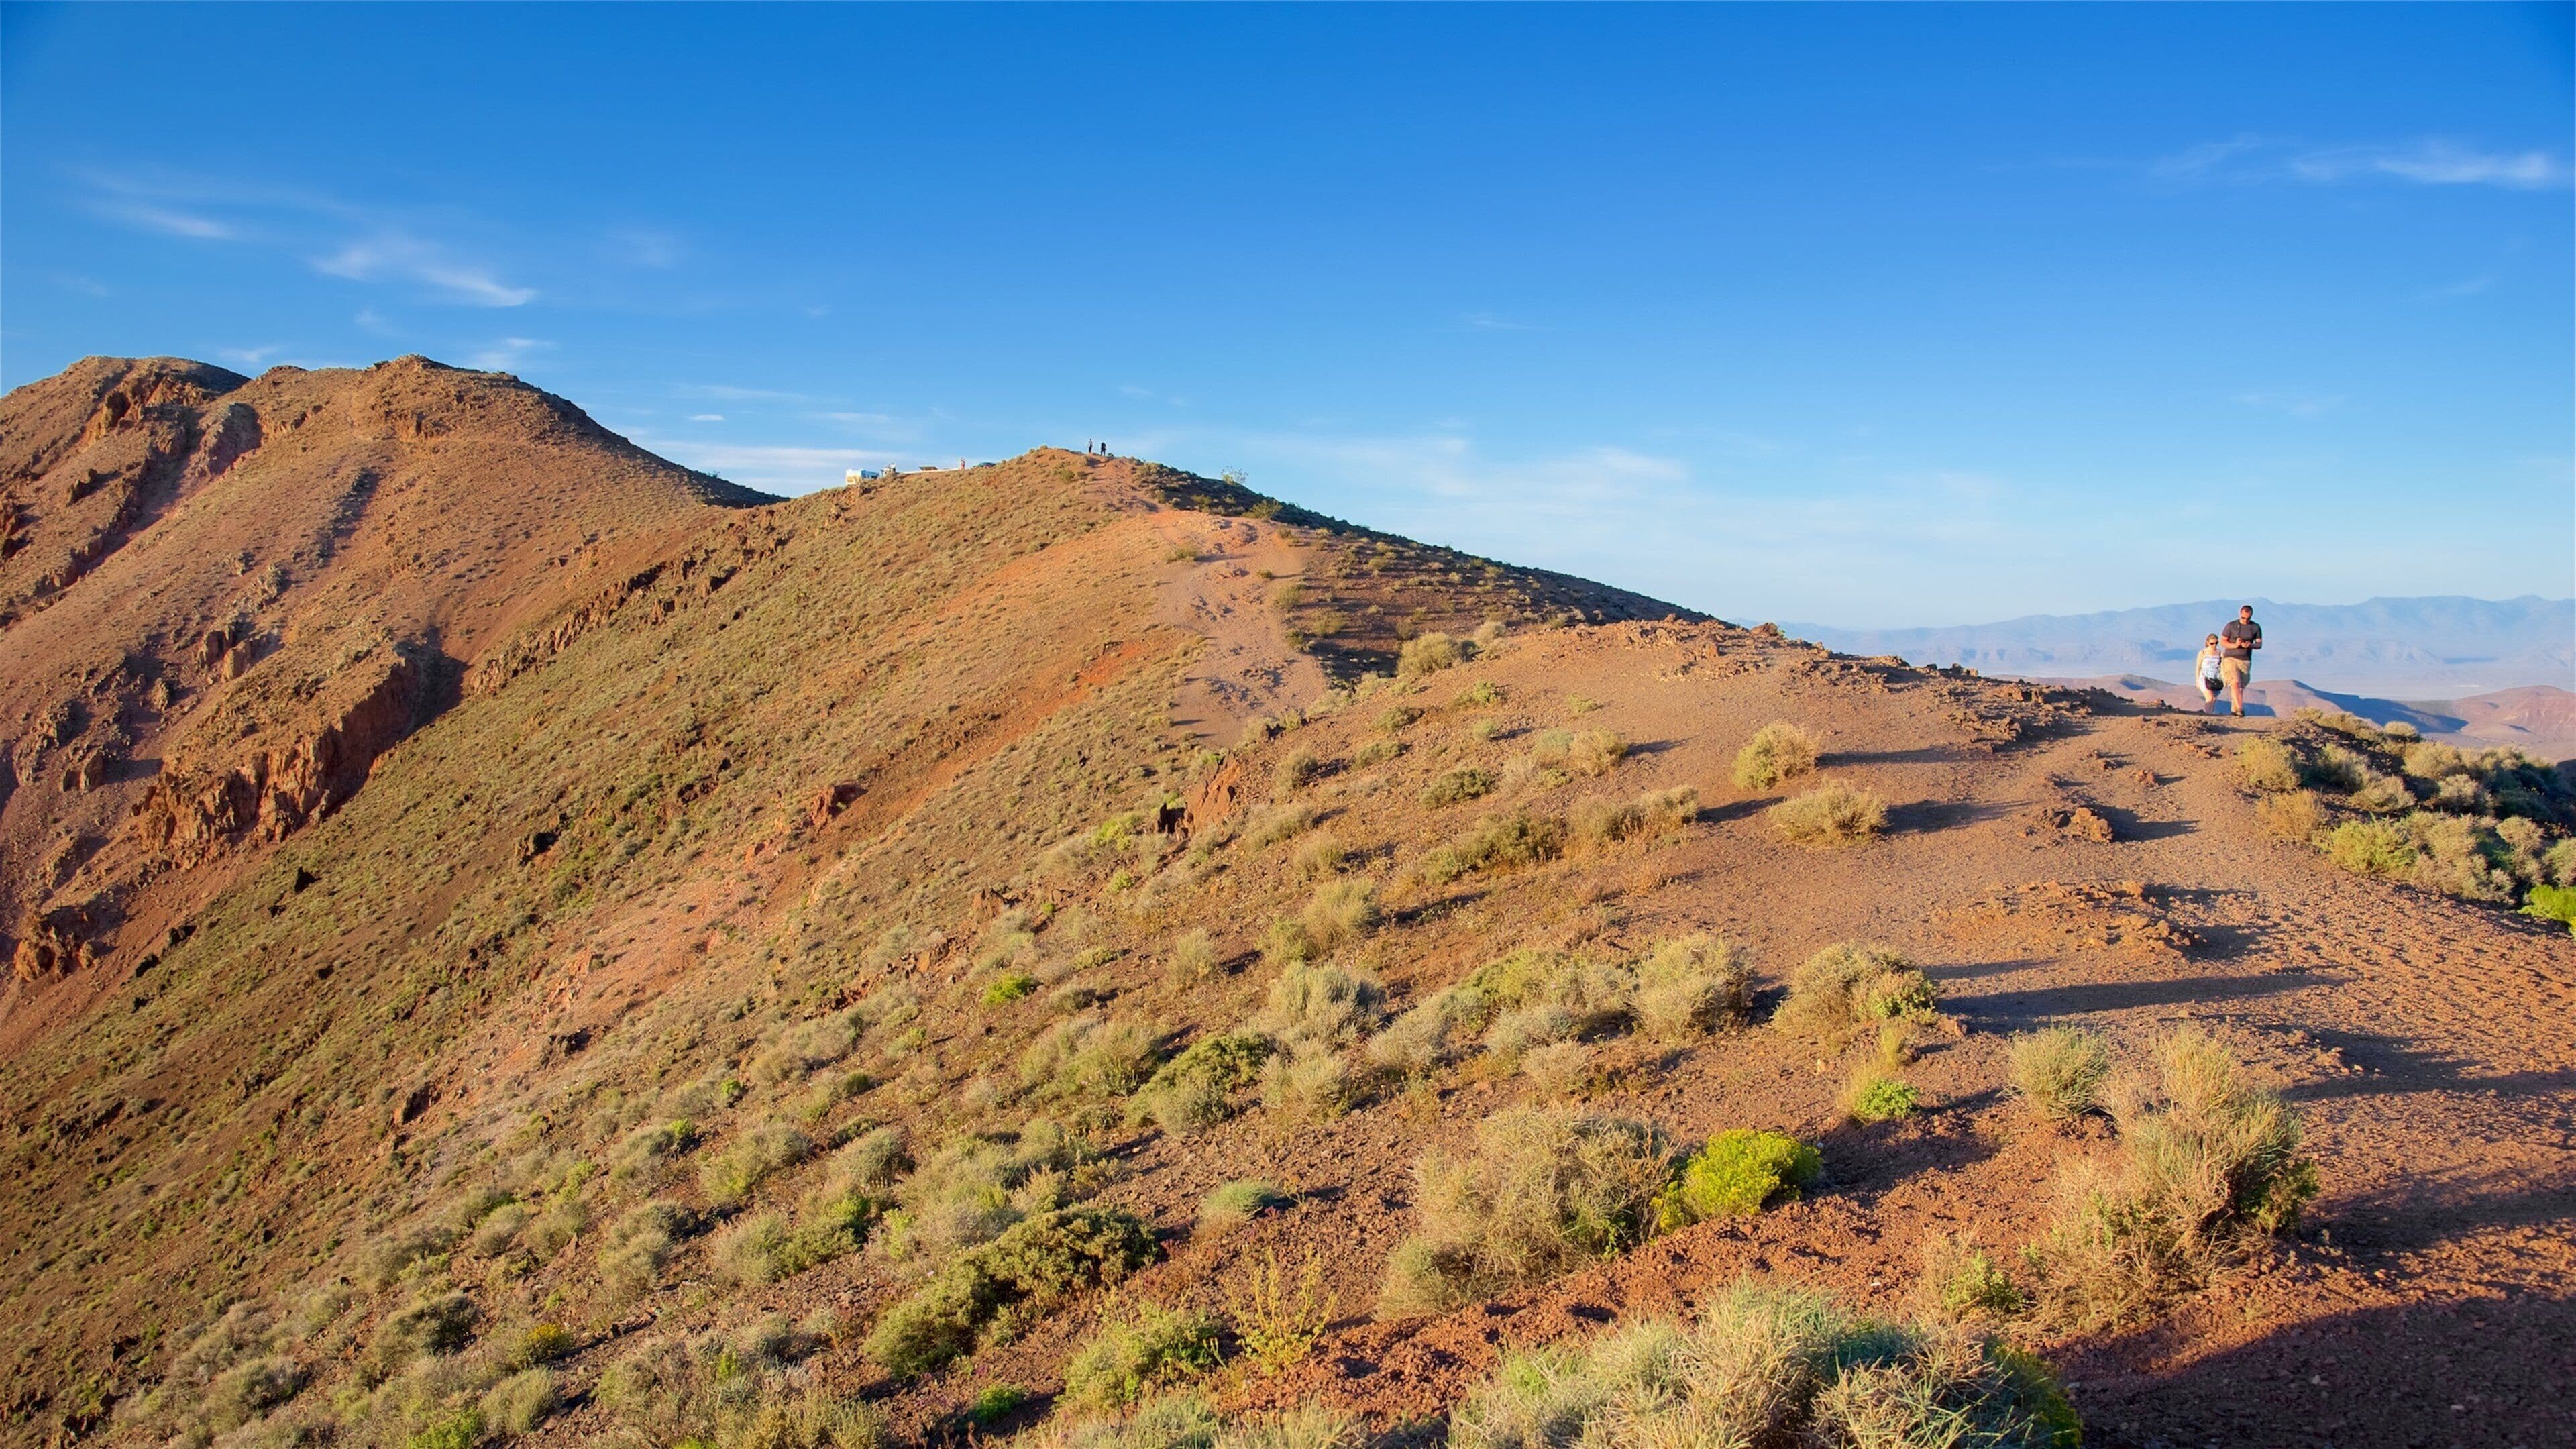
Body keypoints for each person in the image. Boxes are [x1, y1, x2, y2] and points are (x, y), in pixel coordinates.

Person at [2218, 604, 2263, 717]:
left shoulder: (2255, 627)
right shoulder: (2231, 626)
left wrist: (2250, 645)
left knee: (2241, 687)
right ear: (2240, 614)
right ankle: (2240, 709)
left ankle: (2234, 711)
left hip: (2245, 660)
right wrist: (2235, 645)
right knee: (2235, 683)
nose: (2245, 620)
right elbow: (2223, 642)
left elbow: (2259, 644)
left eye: (2248, 618)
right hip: (2231, 658)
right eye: (2243, 618)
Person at [2193, 632, 2225, 709]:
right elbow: (2198, 667)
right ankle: (2208, 715)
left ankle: (2210, 714)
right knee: (2210, 698)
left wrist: (2224, 679)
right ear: (2208, 643)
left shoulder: (2220, 653)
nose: (2214, 645)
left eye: (2216, 643)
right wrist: (2197, 680)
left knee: (2214, 699)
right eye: (2212, 643)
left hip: (2216, 678)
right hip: (2205, 678)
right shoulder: (2203, 653)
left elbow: (2223, 667)